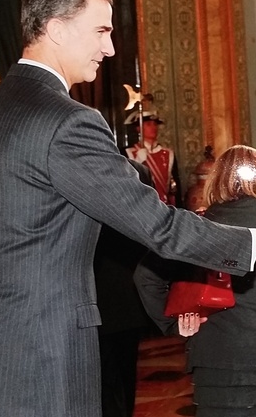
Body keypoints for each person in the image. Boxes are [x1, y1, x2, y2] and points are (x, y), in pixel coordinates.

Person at [0, 0, 256, 417]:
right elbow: (158, 226)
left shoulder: (1, 106)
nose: (110, 48)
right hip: (47, 349)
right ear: (57, 29)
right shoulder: (67, 121)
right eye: (101, 30)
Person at [134, 145, 256, 417]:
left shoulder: (204, 224)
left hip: (228, 359)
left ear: (217, 180)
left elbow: (145, 276)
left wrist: (172, 323)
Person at [94, 159, 154, 417]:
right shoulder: (141, 213)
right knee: (125, 372)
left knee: (105, 378)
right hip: (128, 302)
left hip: (101, 301)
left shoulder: (97, 203)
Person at [125, 110, 184, 207]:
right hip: (141, 206)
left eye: (155, 124)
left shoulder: (168, 154)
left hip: (164, 206)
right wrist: (137, 161)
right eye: (148, 124)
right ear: (138, 128)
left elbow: (175, 188)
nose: (153, 127)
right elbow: (126, 183)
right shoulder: (129, 153)